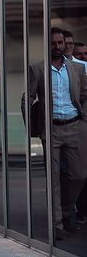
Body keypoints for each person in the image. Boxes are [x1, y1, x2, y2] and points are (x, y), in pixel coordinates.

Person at [24, 27, 87, 241]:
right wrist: (34, 128)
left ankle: (68, 210)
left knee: (79, 175)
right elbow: (27, 99)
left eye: (60, 43)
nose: (58, 47)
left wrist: (84, 119)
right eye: (53, 43)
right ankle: (57, 223)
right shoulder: (38, 70)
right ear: (47, 45)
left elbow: (85, 95)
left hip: (75, 127)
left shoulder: (78, 69)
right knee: (53, 180)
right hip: (51, 130)